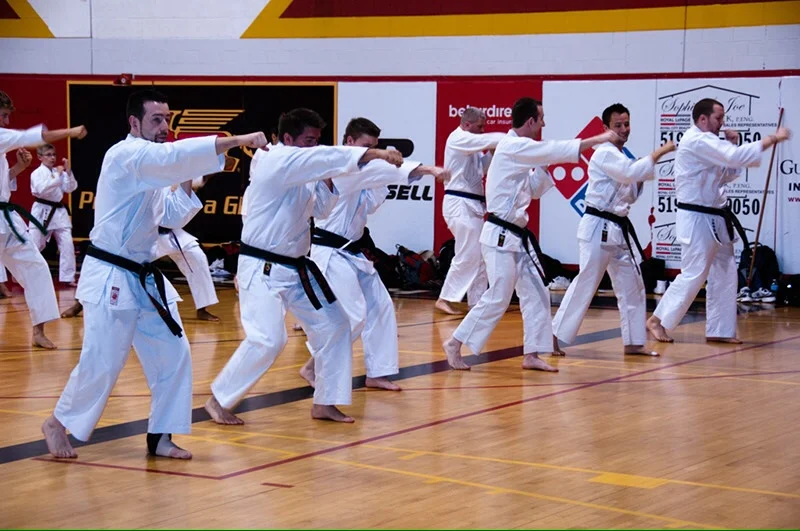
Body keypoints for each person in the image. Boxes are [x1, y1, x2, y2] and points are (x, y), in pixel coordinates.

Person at [41, 88, 267, 459]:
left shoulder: (152, 164)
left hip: (143, 277)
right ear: (135, 122)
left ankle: (160, 436)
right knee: (103, 360)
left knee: (174, 353)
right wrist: (237, 140)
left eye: (167, 119)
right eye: (156, 120)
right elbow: (172, 156)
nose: (165, 126)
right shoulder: (126, 154)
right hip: (112, 274)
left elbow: (172, 216)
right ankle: (56, 422)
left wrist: (185, 179)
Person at [204, 108, 404, 425]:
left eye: (316, 141)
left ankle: (325, 402)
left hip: (296, 268)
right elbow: (321, 158)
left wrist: (326, 180)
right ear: (287, 139)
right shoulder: (273, 160)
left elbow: (322, 210)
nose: (313, 146)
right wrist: (374, 153)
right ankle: (219, 400)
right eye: (308, 140)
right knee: (269, 340)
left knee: (336, 326)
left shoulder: (304, 171)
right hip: (261, 267)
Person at [442, 97, 616, 371]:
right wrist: (597, 139)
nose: (544, 123)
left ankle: (531, 353)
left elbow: (532, 190)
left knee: (536, 292)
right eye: (541, 118)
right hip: (499, 235)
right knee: (498, 296)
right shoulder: (513, 146)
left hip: (516, 236)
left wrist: (543, 167)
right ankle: (454, 342)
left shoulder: (520, 152)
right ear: (530, 120)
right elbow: (553, 148)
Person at [299, 117, 449, 391]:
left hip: (352, 251)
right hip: (329, 253)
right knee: (354, 315)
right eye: (366, 147)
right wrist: (428, 169)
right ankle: (313, 366)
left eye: (374, 147)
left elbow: (375, 186)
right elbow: (380, 172)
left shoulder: (366, 171)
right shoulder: (340, 166)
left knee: (381, 306)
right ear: (349, 143)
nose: (371, 153)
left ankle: (377, 372)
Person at [646, 98, 791, 343]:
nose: (721, 123)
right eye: (718, 118)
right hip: (697, 217)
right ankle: (657, 320)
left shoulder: (709, 142)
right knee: (693, 273)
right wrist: (772, 139)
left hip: (716, 216)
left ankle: (720, 330)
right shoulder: (697, 140)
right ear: (703, 119)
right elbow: (736, 157)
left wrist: (732, 142)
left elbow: (728, 173)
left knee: (725, 272)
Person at [551, 103, 676, 357]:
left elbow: (630, 192)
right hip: (597, 227)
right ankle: (551, 337)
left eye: (626, 124)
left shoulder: (622, 156)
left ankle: (633, 342)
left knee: (633, 285)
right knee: (586, 283)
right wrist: (658, 153)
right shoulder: (604, 153)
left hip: (618, 230)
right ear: (606, 128)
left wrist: (641, 170)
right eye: (617, 125)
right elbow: (630, 173)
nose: (623, 129)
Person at [0, 89, 88, 348]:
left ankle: (38, 331)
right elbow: (36, 136)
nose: (6, 122)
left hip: (6, 218)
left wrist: (19, 168)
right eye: (3, 116)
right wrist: (71, 132)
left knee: (37, 268)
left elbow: (4, 184)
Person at [436, 107, 505, 315]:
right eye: (479, 126)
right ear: (467, 124)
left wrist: (493, 153)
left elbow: (481, 169)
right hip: (459, 202)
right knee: (468, 252)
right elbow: (490, 140)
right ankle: (445, 297)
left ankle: (477, 301)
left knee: (479, 254)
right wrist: (504, 139)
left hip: (472, 204)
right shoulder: (458, 138)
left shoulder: (472, 146)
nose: (483, 130)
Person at [155, 184, 221, 322]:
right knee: (130, 267)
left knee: (197, 256)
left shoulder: (172, 174)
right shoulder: (146, 176)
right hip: (147, 235)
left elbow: (196, 182)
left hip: (171, 232)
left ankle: (202, 308)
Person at [29, 143, 79, 286]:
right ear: (40, 157)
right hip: (41, 211)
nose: (52, 158)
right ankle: (29, 275)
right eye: (48, 155)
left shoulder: (60, 172)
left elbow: (70, 188)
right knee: (35, 245)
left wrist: (68, 172)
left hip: (59, 212)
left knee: (67, 244)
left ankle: (68, 277)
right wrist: (57, 175)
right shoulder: (37, 173)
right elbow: (42, 189)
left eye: (54, 155)